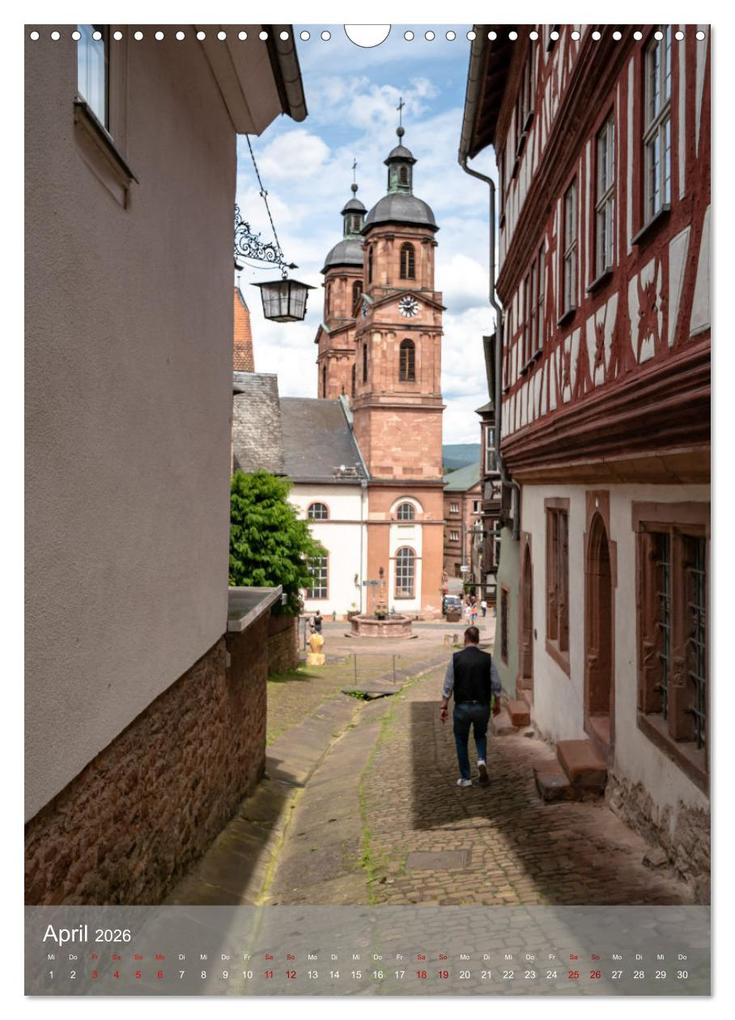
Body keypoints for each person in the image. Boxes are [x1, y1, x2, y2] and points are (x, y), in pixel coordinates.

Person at [440, 625, 502, 787]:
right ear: (478, 640)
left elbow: (448, 684)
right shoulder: (487, 659)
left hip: (462, 707)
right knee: (480, 735)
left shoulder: (456, 658)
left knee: (461, 740)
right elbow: (496, 683)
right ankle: (481, 761)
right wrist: (497, 703)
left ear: (465, 639)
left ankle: (466, 778)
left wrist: (444, 706)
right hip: (482, 706)